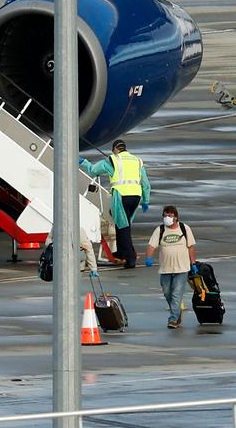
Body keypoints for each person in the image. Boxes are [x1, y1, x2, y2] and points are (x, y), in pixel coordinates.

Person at [78, 139, 151, 269]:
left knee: (123, 227)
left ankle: (130, 258)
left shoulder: (113, 160)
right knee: (122, 225)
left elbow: (94, 170)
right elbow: (145, 184)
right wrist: (145, 200)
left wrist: (84, 162)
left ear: (115, 149)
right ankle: (122, 252)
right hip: (136, 196)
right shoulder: (137, 160)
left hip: (121, 195)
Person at [144, 205, 197, 329]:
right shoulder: (160, 230)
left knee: (176, 294)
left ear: (176, 217)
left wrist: (193, 263)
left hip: (182, 268)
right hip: (165, 268)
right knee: (167, 292)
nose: (167, 218)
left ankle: (173, 319)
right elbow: (151, 245)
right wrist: (149, 257)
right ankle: (177, 313)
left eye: (170, 215)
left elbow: (191, 246)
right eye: (165, 215)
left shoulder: (184, 228)